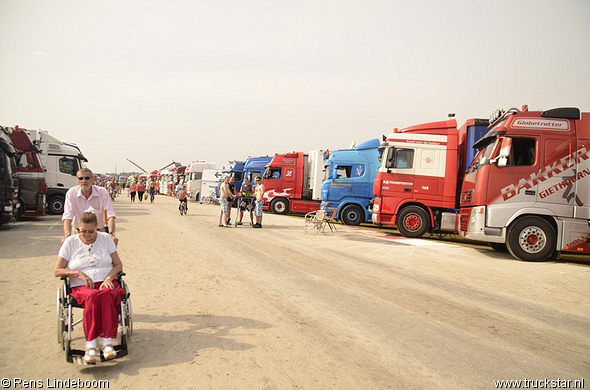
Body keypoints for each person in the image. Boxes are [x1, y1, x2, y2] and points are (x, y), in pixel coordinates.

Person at [54, 207, 124, 363]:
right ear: (78, 227)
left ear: (97, 228)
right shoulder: (70, 242)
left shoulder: (105, 238)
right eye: (82, 231)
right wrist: (77, 273)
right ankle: (90, 344)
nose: (86, 235)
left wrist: (108, 278)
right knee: (93, 296)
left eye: (91, 232)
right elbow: (57, 270)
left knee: (105, 293)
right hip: (81, 286)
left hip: (105, 282)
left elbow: (118, 265)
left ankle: (107, 343)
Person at [62, 168, 118, 246]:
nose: (84, 181)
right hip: (78, 233)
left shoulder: (102, 193)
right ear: (77, 181)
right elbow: (68, 216)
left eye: (87, 178)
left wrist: (111, 234)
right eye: (81, 178)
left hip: (98, 233)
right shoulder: (71, 193)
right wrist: (67, 236)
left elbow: (110, 214)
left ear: (92, 180)